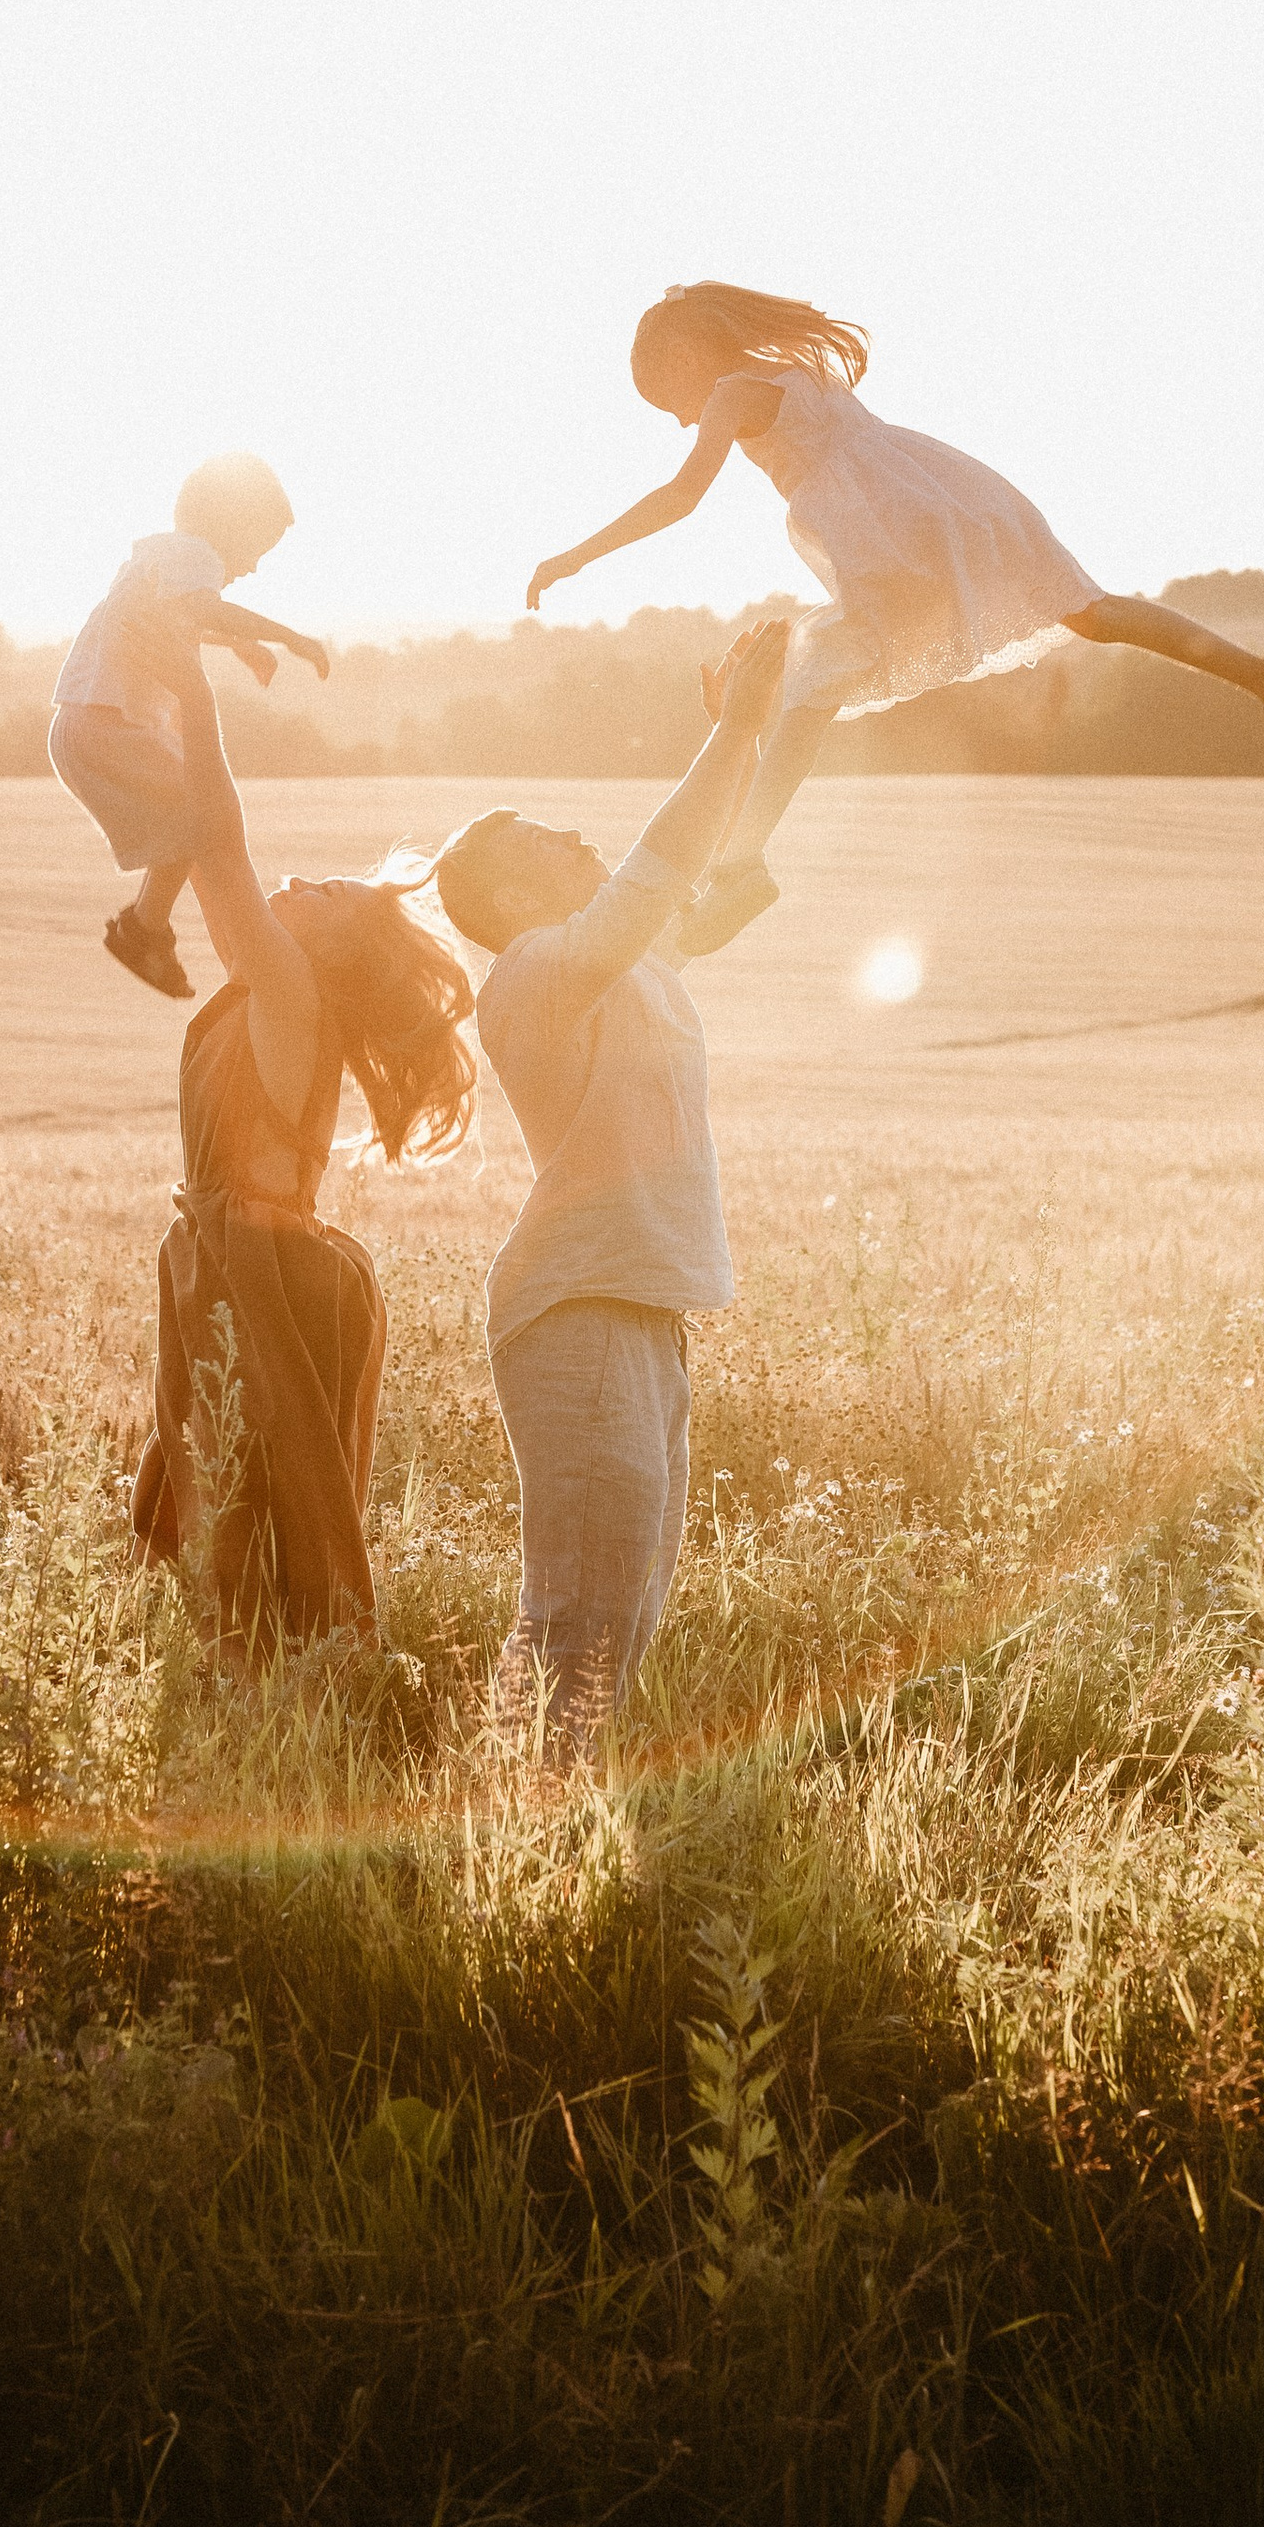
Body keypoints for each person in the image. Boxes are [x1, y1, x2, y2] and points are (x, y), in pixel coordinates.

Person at [524, 279, 1264, 954]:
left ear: (684, 356)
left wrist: (577, 556)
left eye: (666, 397)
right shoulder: (797, 368)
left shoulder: (736, 390)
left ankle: (742, 865)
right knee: (1090, 612)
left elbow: (681, 495)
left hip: (890, 534)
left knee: (814, 679)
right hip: (945, 499)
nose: (676, 418)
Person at [431, 614, 792, 1760]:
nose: (578, 833)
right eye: (545, 838)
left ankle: (539, 1828)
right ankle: (513, 1837)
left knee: (621, 1619)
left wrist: (775, 715)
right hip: (574, 1314)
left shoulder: (626, 964)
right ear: (505, 901)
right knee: (578, 1618)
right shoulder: (536, 977)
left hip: (642, 1312)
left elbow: (712, 856)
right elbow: (662, 863)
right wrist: (732, 730)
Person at [125, 604, 475, 1656]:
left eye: (324, 892)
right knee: (215, 1495)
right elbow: (207, 845)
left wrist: (190, 691)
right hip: (226, 1261)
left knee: (258, 1507)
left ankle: (299, 1712)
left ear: (331, 948)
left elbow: (218, 845)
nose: (299, 883)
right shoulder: (269, 993)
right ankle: (258, 1696)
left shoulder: (287, 993)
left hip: (265, 1274)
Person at [48, 452, 331, 999]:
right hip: (111, 727)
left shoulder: (157, 557)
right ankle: (148, 927)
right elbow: (204, 609)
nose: (251, 568)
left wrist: (241, 644)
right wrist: (286, 636)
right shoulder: (194, 553)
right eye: (254, 552)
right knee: (204, 814)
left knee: (189, 823)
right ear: (230, 527)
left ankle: (148, 926)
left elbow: (182, 615)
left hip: (83, 726)